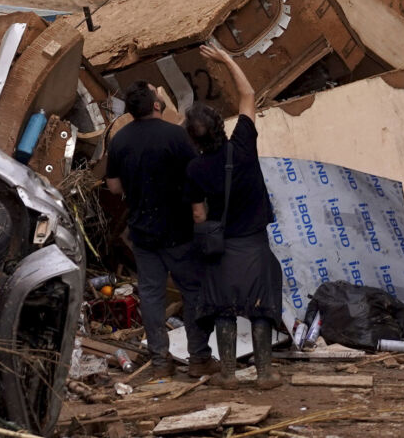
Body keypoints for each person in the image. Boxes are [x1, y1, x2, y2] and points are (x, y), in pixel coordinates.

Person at [185, 44, 283, 390]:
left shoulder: (195, 169)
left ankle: (227, 374)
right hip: (254, 243)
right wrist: (227, 58)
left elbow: (198, 214)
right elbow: (248, 94)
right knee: (261, 306)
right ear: (220, 126)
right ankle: (264, 373)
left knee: (223, 307)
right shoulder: (243, 143)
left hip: (222, 247)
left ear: (193, 139)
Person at [104, 83, 216, 380]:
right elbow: (197, 175)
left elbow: (113, 187)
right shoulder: (176, 136)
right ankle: (198, 358)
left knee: (152, 296)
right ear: (156, 105)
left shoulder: (119, 141)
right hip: (179, 230)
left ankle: (159, 362)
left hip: (142, 231)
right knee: (193, 292)